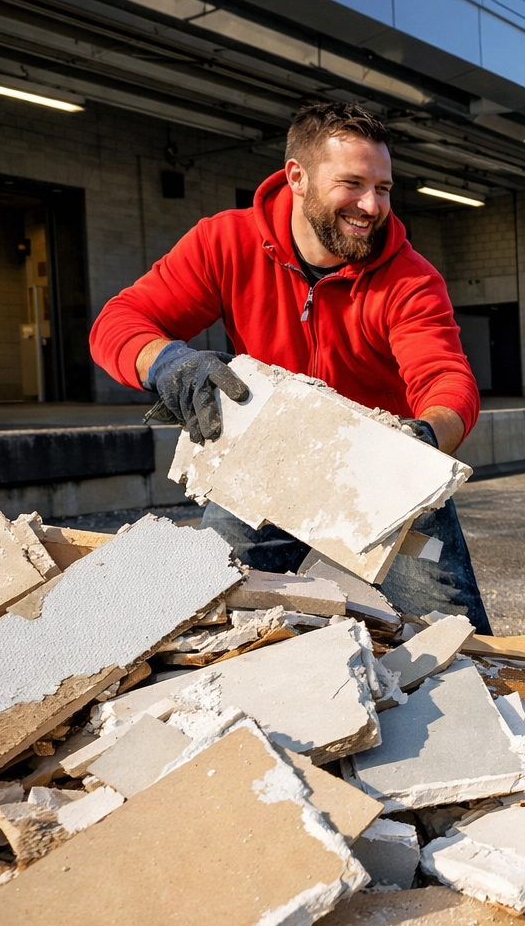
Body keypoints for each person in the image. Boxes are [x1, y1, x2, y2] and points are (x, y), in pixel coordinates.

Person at [89, 102, 491, 632]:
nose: (371, 205)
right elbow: (118, 322)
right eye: (352, 184)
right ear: (297, 177)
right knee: (211, 616)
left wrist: (423, 439)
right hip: (268, 464)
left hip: (387, 472)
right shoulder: (225, 242)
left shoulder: (409, 278)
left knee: (452, 639)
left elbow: (446, 379)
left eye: (383, 188)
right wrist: (168, 362)